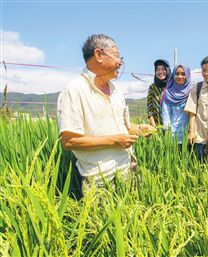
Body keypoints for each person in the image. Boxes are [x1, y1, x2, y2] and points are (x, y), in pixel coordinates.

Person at [57, 34, 154, 192]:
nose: (120, 62)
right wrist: (114, 141)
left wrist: (139, 129)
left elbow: (122, 127)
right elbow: (68, 141)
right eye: (116, 55)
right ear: (98, 55)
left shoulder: (116, 91)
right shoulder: (74, 90)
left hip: (128, 169)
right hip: (99, 180)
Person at [161, 64, 192, 145]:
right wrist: (168, 134)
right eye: (177, 73)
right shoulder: (168, 93)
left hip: (189, 136)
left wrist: (192, 131)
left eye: (183, 74)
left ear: (188, 75)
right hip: (173, 137)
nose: (180, 76)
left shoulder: (192, 91)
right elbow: (166, 114)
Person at [147, 59, 171, 126]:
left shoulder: (173, 86)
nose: (160, 72)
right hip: (157, 127)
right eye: (157, 69)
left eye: (163, 69)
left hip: (173, 129)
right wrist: (155, 128)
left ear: (167, 70)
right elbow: (150, 109)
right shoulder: (152, 88)